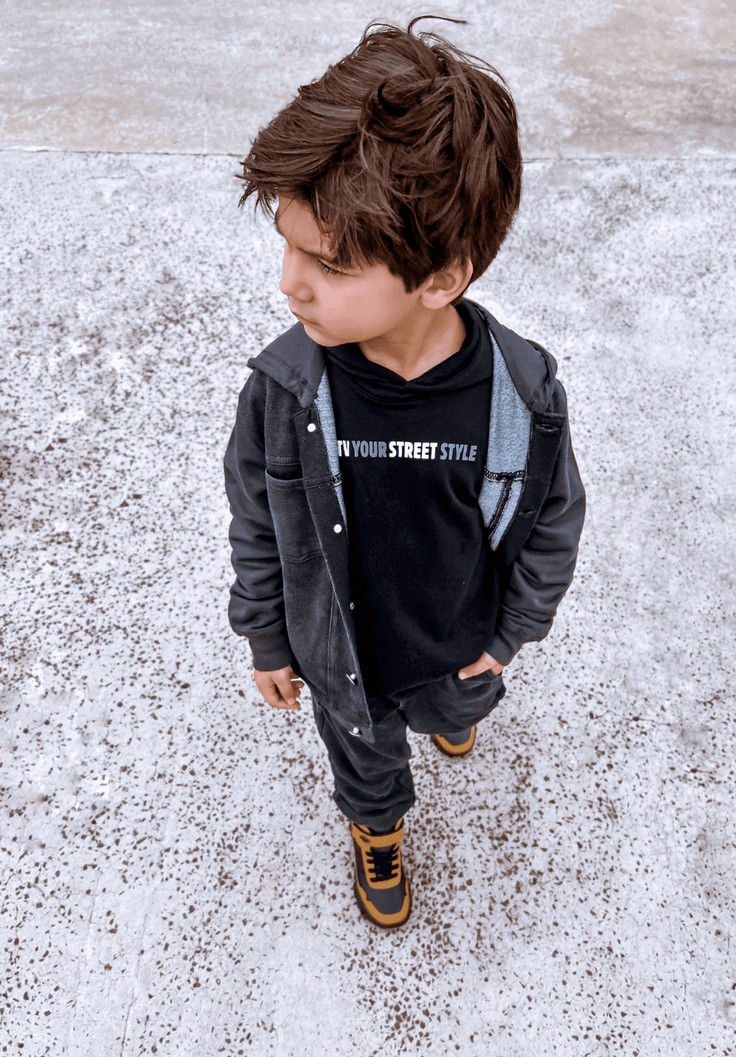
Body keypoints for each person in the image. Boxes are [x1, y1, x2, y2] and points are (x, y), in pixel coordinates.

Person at [224, 16, 585, 929]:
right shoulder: (284, 391)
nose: (289, 283)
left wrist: (509, 636)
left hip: (460, 641)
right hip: (345, 656)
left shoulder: (521, 396)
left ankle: (454, 712)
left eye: (329, 263)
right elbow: (256, 517)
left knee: (451, 706)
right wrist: (267, 635)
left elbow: (552, 518)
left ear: (440, 278)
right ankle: (377, 828)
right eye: (287, 245)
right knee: (367, 760)